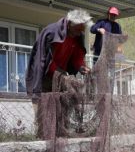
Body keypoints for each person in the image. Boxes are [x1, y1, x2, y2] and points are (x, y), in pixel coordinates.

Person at [26, 8, 92, 138]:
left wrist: (81, 66)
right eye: (78, 29)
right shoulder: (51, 32)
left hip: (60, 74)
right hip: (44, 75)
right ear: (69, 24)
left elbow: (77, 56)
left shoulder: (77, 36)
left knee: (62, 107)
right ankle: (42, 137)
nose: (80, 32)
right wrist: (61, 75)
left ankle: (60, 134)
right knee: (43, 109)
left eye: (82, 29)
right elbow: (43, 61)